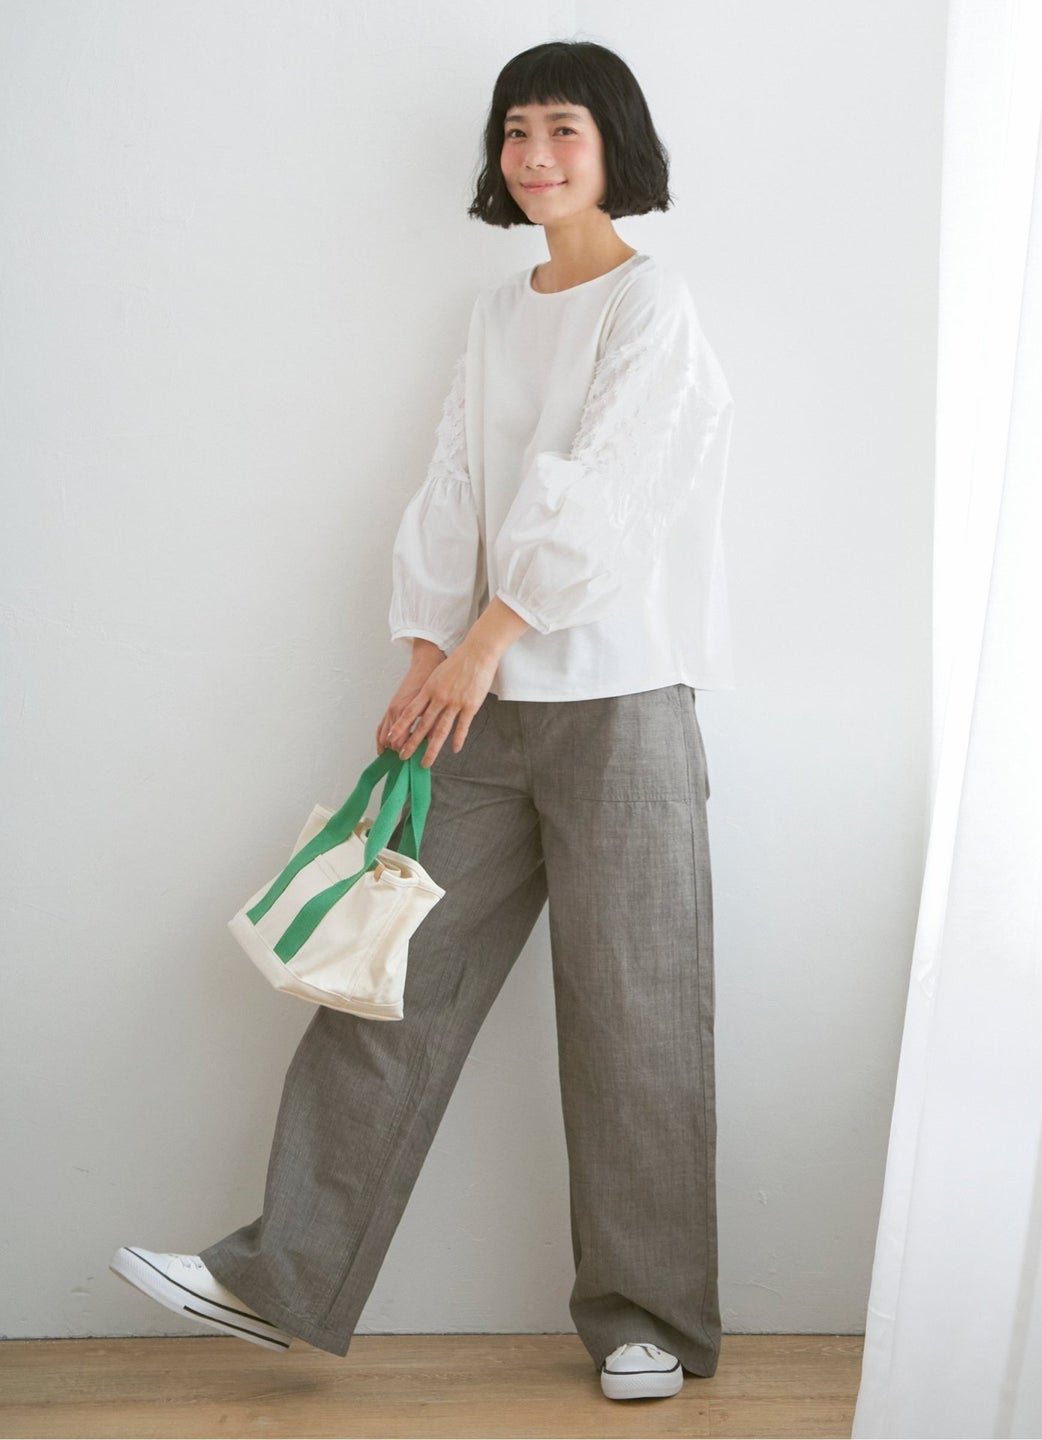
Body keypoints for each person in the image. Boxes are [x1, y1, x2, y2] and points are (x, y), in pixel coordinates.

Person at [110, 38, 735, 1404]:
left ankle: (649, 1320)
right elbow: (457, 482)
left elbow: (609, 494)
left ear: (614, 145)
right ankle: (280, 1279)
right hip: (481, 703)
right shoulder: (498, 314)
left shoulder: (653, 302)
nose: (535, 156)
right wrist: (424, 651)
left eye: (562, 129)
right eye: (516, 131)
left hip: (623, 696)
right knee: (386, 982)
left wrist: (483, 644)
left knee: (634, 1011)